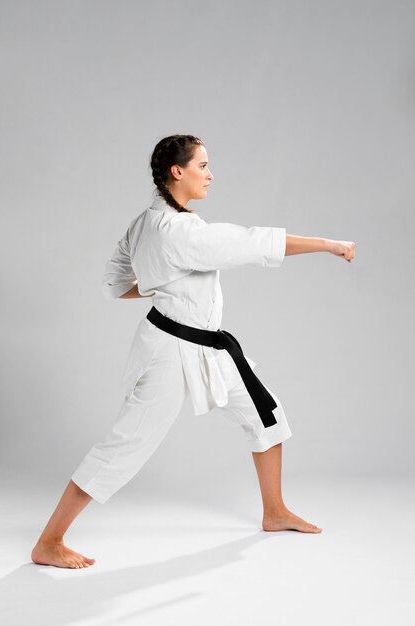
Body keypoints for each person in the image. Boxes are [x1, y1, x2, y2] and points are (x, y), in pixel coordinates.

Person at [31, 134, 355, 569]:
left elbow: (114, 284)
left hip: (207, 347)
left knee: (265, 413)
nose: (211, 173)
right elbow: (252, 243)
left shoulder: (146, 221)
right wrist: (328, 243)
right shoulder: (179, 233)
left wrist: (160, 286)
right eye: (203, 165)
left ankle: (275, 512)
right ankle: (49, 541)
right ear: (176, 172)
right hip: (169, 353)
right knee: (125, 447)